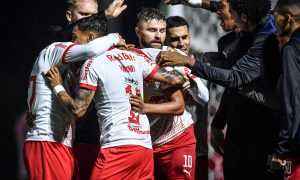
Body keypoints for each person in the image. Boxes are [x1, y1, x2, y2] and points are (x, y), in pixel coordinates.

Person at [44, 15, 190, 179]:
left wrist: (57, 86)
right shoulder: (135, 57)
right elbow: (178, 79)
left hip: (118, 147)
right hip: (144, 147)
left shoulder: (93, 63)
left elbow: (79, 110)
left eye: (75, 38)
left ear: (91, 38)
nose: (73, 44)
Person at [160, 0, 283, 179]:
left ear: (242, 16)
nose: (218, 10)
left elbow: (234, 78)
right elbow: (234, 87)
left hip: (264, 135)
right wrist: (195, 2)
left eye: (227, 9)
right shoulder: (238, 34)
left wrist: (190, 62)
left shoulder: (265, 41)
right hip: (237, 132)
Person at [23, 14, 125, 179]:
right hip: (47, 142)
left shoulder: (66, 73)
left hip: (59, 144)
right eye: (72, 38)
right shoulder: (54, 49)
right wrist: (114, 37)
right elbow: (90, 49)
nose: (72, 44)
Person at [134, 8, 209, 179]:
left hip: (178, 138)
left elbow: (204, 97)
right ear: (138, 31)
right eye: (152, 31)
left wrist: (191, 83)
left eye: (161, 31)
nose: (158, 36)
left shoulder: (173, 56)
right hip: (148, 140)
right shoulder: (129, 56)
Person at [64, 1, 127, 179]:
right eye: (85, 15)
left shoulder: (107, 50)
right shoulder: (57, 45)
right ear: (69, 17)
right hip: (64, 140)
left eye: (95, 15)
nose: (90, 21)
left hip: (98, 140)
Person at [271, 0, 300, 179]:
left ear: (288, 18)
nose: (274, 26)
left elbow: (293, 103)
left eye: (276, 20)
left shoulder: (292, 49)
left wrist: (280, 151)